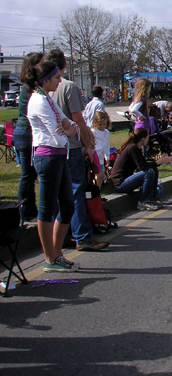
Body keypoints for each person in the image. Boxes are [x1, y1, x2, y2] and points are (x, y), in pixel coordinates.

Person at [25, 61, 85, 272]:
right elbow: (58, 136)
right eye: (57, 78)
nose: (60, 81)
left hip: (60, 156)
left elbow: (70, 124)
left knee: (68, 205)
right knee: (47, 207)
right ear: (46, 80)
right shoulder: (39, 102)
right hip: (47, 157)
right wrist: (69, 131)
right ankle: (50, 257)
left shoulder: (48, 99)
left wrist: (69, 129)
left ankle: (57, 253)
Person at [47, 49, 103, 250]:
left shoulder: (43, 90)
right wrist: (88, 146)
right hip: (71, 145)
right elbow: (79, 120)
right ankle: (82, 235)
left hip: (52, 147)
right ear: (64, 66)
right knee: (76, 191)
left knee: (56, 194)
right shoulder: (68, 87)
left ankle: (61, 234)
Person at [110, 128, 172, 210]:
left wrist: (158, 162)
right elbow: (142, 167)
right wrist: (158, 162)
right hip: (120, 183)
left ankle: (152, 199)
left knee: (154, 170)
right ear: (143, 139)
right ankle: (144, 202)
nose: (147, 140)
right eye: (147, 138)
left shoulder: (136, 148)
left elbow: (144, 164)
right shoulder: (132, 148)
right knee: (149, 172)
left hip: (126, 180)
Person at [14, 51, 43, 222]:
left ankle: (31, 209)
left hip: (26, 133)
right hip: (25, 133)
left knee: (31, 174)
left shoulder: (31, 86)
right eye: (41, 62)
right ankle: (24, 211)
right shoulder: (29, 87)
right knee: (27, 174)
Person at [90, 111, 112, 187]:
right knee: (98, 175)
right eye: (100, 124)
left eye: (104, 124)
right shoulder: (93, 132)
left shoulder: (106, 132)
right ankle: (95, 192)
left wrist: (107, 158)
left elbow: (106, 146)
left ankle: (98, 193)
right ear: (95, 123)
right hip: (95, 156)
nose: (102, 126)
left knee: (102, 176)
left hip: (101, 158)